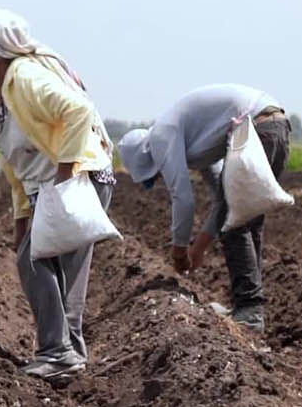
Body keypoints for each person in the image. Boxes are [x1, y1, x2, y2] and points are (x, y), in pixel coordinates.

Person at [0, 9, 114, 381]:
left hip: (77, 179)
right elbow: (16, 163)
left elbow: (78, 110)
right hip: (49, 185)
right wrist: (21, 218)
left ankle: (57, 353)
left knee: (35, 263)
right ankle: (68, 354)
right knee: (61, 271)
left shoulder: (25, 77)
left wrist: (65, 173)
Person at [118, 84, 291, 333]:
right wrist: (198, 249)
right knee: (246, 218)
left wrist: (181, 251)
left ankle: (250, 311)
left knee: (236, 222)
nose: (159, 179)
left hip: (259, 130)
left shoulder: (161, 137)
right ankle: (247, 307)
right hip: (274, 126)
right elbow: (222, 200)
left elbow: (184, 198)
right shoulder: (194, 141)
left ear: (146, 158)